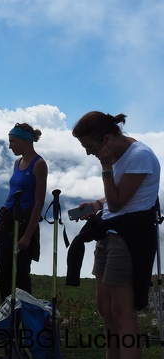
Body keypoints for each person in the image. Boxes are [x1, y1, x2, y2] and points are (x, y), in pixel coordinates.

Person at [72, 111, 160, 359]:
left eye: (89, 146)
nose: (88, 152)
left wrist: (106, 167)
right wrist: (99, 204)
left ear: (106, 138)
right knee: (105, 309)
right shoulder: (120, 154)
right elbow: (116, 197)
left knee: (123, 312)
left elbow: (120, 202)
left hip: (129, 237)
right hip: (109, 233)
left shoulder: (139, 156)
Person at [0, 123, 48, 303]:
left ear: (25, 140)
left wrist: (27, 236)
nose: (10, 145)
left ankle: (23, 317)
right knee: (3, 274)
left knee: (21, 275)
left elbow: (38, 203)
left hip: (24, 223)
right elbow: (10, 196)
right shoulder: (17, 163)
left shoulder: (39, 164)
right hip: (9, 220)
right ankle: (7, 317)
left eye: (13, 141)